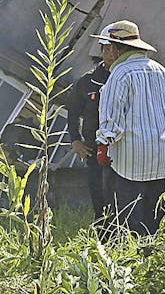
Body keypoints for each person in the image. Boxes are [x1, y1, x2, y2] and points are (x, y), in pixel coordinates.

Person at [93, 20, 165, 236]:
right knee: (157, 219)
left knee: (130, 220)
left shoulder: (120, 73)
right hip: (163, 158)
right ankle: (154, 254)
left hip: (131, 161)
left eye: (109, 47)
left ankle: (133, 255)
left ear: (116, 49)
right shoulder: (162, 71)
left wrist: (103, 146)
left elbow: (111, 121)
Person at [66, 49, 112, 224]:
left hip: (121, 147)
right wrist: (76, 140)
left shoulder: (125, 77)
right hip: (94, 149)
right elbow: (72, 112)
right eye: (106, 49)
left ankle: (122, 235)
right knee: (99, 197)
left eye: (114, 49)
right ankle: (103, 234)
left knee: (120, 197)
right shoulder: (88, 81)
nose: (111, 54)